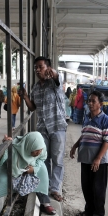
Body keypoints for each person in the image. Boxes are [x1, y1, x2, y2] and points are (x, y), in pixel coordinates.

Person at [19, 56, 67, 202]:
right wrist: (26, 97)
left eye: (41, 67)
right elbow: (33, 107)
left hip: (57, 126)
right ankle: (44, 186)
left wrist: (54, 73)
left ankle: (55, 189)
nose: (38, 70)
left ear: (48, 68)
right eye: (36, 68)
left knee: (57, 160)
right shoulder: (35, 87)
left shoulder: (54, 82)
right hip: (42, 128)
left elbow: (59, 78)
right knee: (43, 158)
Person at [0, 132, 56, 216]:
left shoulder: (41, 147)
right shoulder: (14, 147)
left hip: (31, 168)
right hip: (11, 170)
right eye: (36, 151)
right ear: (29, 146)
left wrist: (34, 169)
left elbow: (41, 159)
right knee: (1, 180)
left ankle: (45, 203)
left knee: (43, 173)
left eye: (40, 150)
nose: (38, 153)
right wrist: (4, 145)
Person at [69, 91, 108, 216]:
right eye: (89, 101)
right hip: (85, 159)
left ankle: (98, 213)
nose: (90, 103)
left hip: (99, 161)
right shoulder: (87, 117)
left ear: (100, 104)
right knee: (86, 186)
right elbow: (84, 135)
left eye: (94, 101)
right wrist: (75, 146)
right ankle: (88, 210)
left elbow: (107, 141)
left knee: (98, 187)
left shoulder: (106, 120)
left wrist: (98, 158)